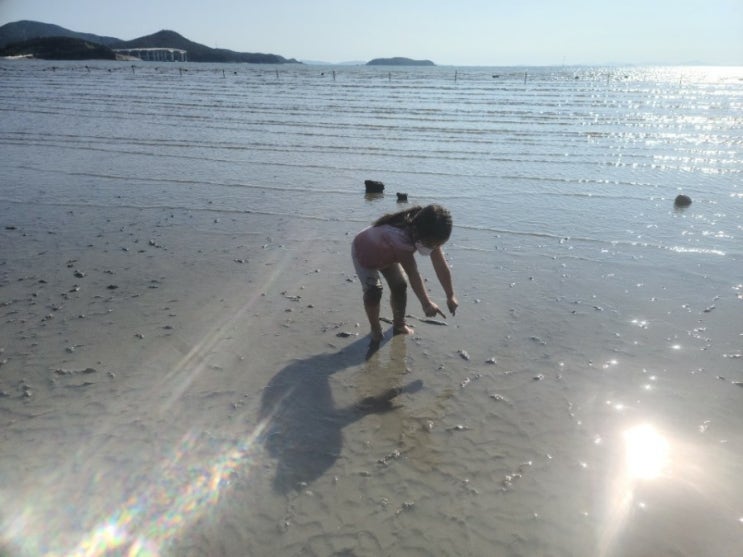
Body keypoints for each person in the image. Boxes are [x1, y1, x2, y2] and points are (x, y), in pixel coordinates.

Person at [352, 204, 459, 344]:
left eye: (437, 244)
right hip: (365, 253)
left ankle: (399, 324)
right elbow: (413, 273)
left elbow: (440, 265)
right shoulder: (400, 237)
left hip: (388, 256)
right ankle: (375, 328)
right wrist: (426, 304)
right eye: (431, 243)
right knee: (373, 291)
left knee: (400, 286)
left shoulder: (427, 233)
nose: (433, 247)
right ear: (417, 232)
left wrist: (450, 295)